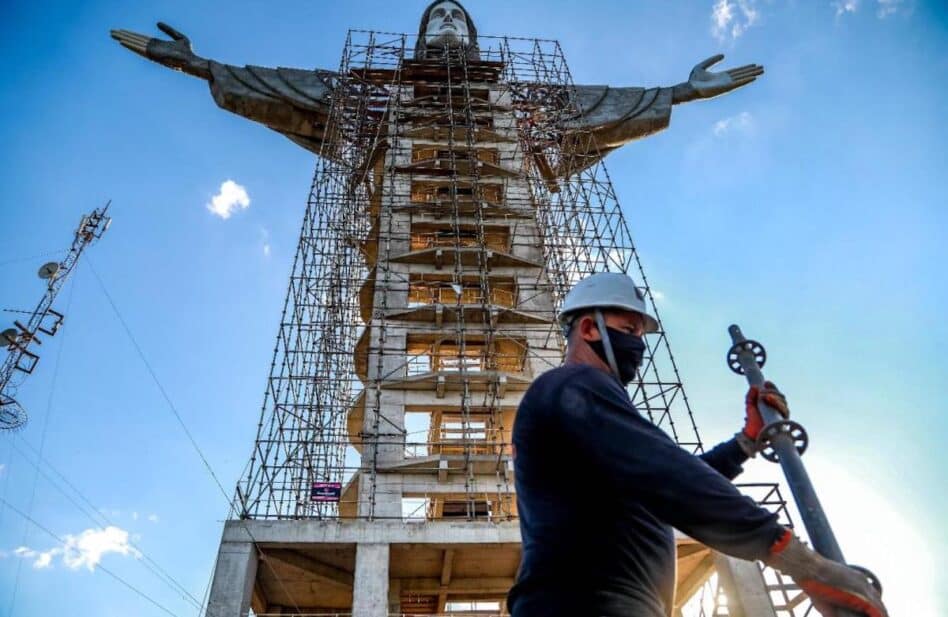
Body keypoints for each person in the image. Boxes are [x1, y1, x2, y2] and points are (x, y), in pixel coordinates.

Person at [507, 272, 887, 617]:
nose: (638, 346)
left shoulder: (594, 422)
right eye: (630, 330)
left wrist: (745, 443)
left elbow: (666, 485)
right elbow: (668, 475)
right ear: (590, 329)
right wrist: (802, 562)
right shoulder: (571, 386)